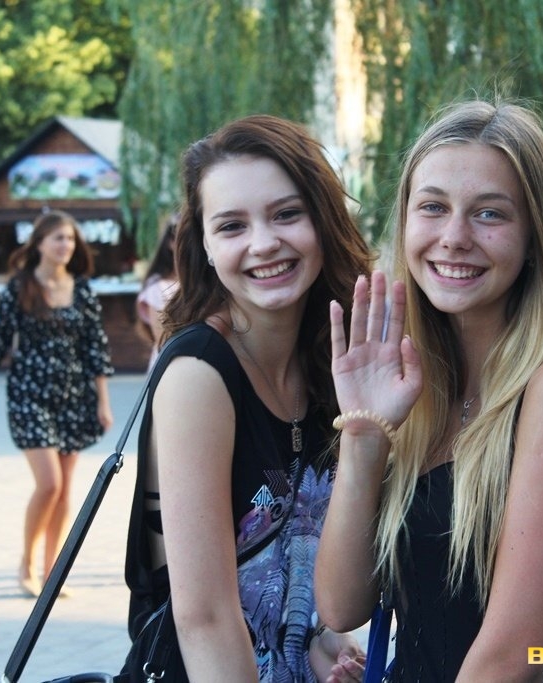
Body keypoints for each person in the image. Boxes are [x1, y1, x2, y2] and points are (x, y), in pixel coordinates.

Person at [315, 100, 543, 681]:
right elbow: (342, 606)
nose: (453, 237)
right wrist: (366, 432)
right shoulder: (417, 388)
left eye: (489, 214)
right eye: (433, 207)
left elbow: (511, 660)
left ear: (536, 237)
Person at [122, 114, 371, 682]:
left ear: (324, 220)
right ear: (206, 247)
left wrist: (325, 644)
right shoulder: (198, 373)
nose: (263, 243)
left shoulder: (332, 361)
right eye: (232, 226)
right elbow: (205, 617)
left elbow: (307, 567)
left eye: (286, 214)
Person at [0, 209, 114, 598]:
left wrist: (103, 403)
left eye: (70, 239)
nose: (66, 245)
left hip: (74, 396)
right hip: (30, 396)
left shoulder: (82, 290)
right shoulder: (20, 287)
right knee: (49, 484)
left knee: (64, 490)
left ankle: (51, 573)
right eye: (58, 238)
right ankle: (26, 564)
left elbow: (95, 349)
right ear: (39, 243)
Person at [135, 221, 179, 369]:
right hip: (170, 365)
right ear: (171, 242)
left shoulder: (205, 282)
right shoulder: (158, 287)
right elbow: (162, 339)